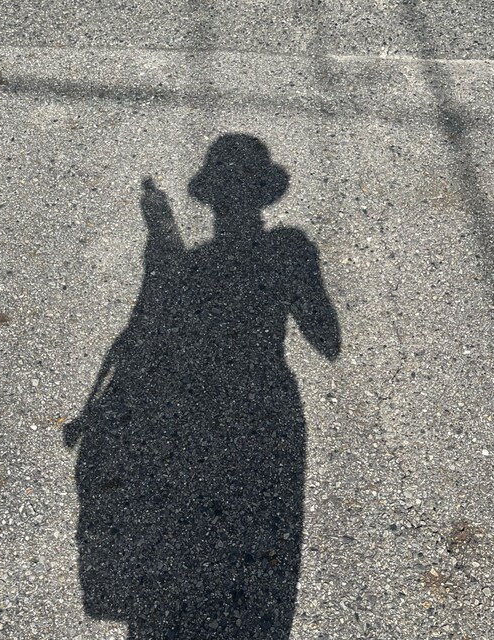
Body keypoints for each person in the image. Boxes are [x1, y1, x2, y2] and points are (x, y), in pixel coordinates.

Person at [65, 134, 340, 639]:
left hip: (199, 414)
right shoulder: (288, 250)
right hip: (267, 410)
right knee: (264, 552)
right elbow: (328, 341)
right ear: (263, 194)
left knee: (196, 547)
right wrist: (297, 273)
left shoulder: (190, 267)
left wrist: (163, 241)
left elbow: (144, 339)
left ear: (211, 200)